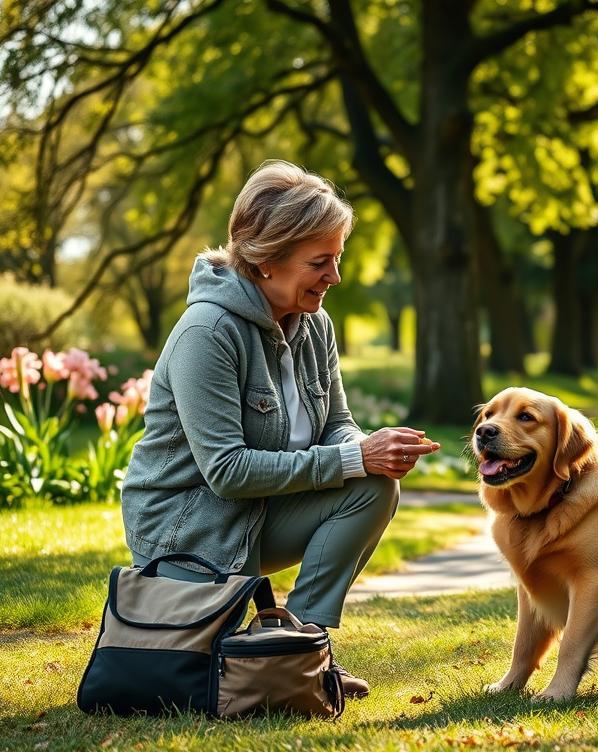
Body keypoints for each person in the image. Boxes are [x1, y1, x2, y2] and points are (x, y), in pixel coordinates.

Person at [121, 159, 439, 697]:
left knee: (374, 486)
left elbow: (337, 423)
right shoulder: (208, 332)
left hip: (259, 513)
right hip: (188, 529)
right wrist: (353, 457)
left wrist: (366, 450)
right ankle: (263, 648)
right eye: (320, 262)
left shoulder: (315, 322)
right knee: (190, 675)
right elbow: (226, 472)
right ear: (266, 262)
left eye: (336, 259)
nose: (335, 277)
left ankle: (298, 643)